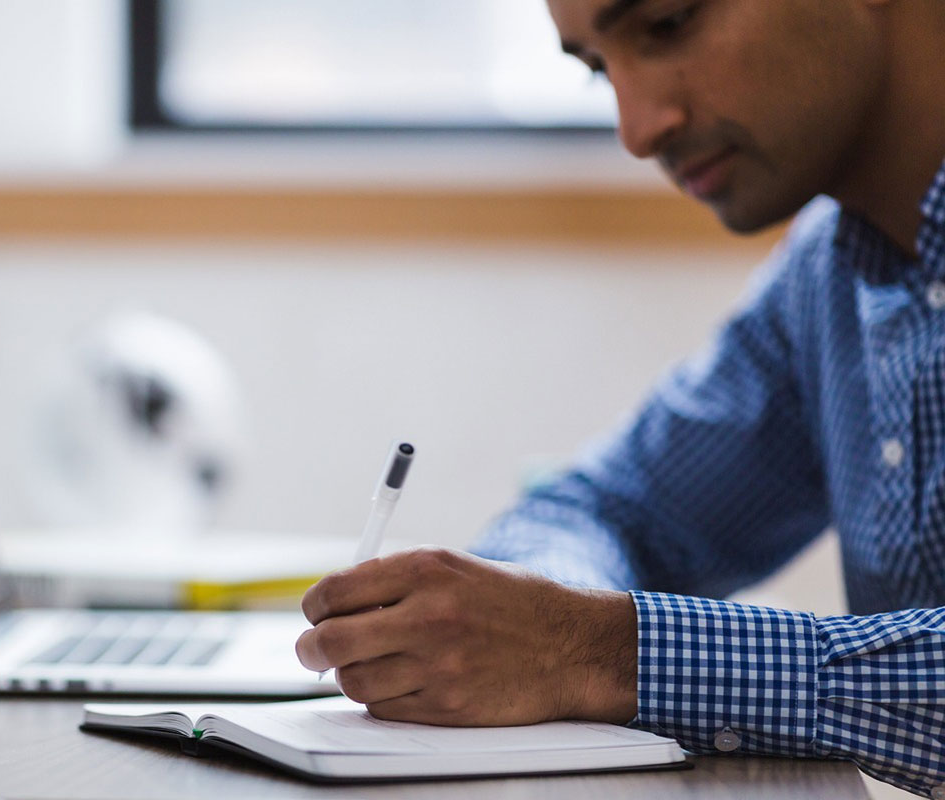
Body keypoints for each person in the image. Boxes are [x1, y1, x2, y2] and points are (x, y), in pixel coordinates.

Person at [294, 0, 945, 796]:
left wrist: (600, 650)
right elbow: (608, 509)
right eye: (599, 69)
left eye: (668, 24)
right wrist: (523, 623)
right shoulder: (830, 273)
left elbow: (590, 636)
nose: (637, 131)